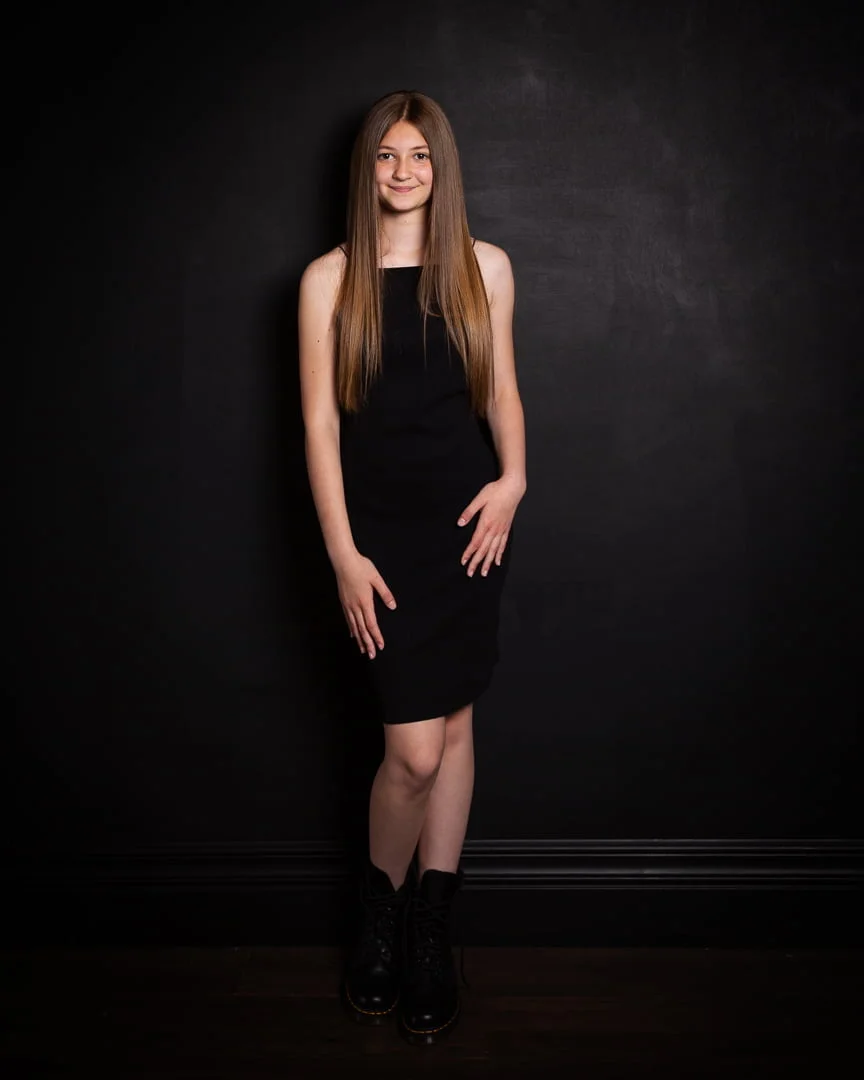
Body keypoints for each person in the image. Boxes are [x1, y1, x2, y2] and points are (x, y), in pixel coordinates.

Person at [297, 89, 527, 1045]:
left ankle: (432, 930)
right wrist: (344, 553)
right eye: (388, 157)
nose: (403, 173)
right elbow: (317, 426)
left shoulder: (484, 267)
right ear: (368, 169)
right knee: (413, 753)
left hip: (469, 525)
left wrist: (515, 480)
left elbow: (502, 388)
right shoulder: (328, 280)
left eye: (420, 157)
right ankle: (379, 917)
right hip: (380, 540)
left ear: (442, 167)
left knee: (458, 726)